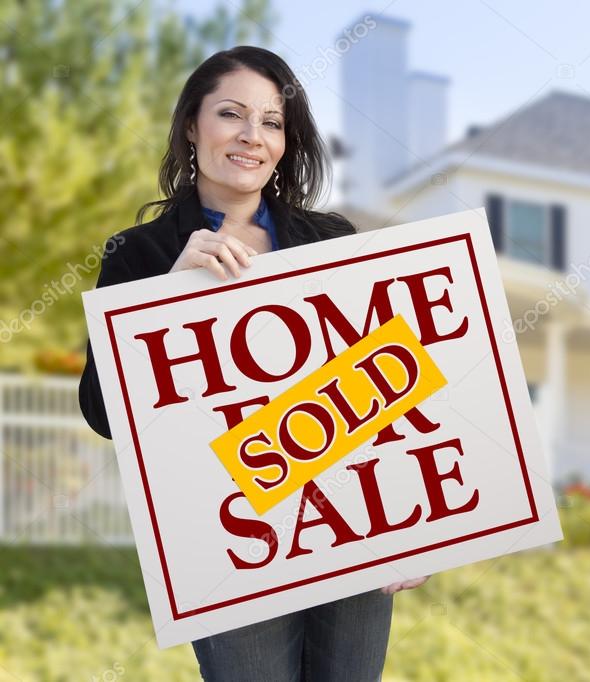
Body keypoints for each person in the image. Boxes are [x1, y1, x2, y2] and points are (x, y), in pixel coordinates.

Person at [77, 45, 428, 681]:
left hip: (348, 514)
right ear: (192, 126)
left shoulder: (331, 241)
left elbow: (385, 392)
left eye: (271, 121)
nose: (252, 136)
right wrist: (166, 298)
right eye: (231, 114)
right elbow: (103, 412)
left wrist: (406, 525)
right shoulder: (140, 252)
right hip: (227, 535)